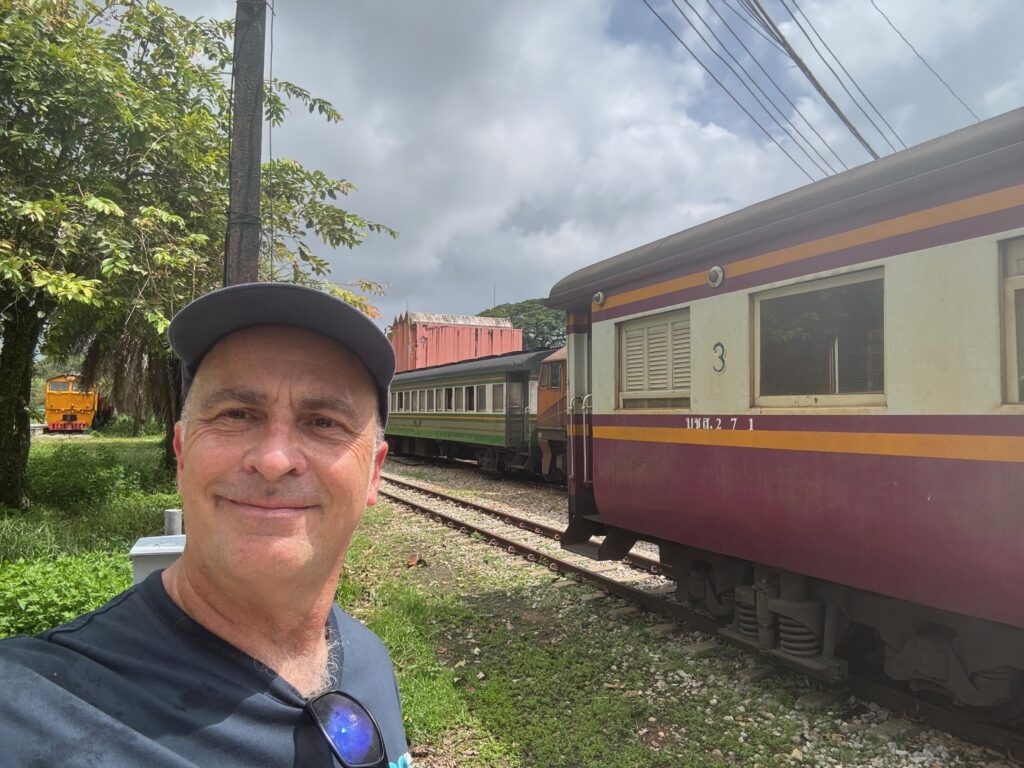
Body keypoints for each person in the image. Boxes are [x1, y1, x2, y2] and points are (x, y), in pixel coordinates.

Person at [0, 283, 413, 768]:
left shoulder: (370, 660)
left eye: (324, 422)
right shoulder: (28, 705)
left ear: (374, 473)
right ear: (181, 454)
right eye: (236, 414)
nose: (274, 460)